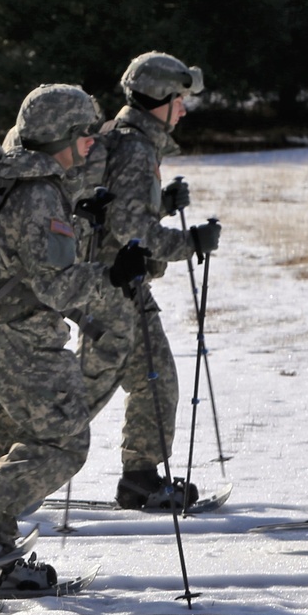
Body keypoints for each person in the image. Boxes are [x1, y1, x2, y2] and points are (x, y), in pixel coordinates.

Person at [0, 84, 150, 587]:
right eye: (83, 134)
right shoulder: (38, 194)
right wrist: (113, 275)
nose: (90, 143)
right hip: (26, 340)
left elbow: (27, 260)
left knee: (1, 446)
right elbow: (57, 287)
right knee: (65, 442)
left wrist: (80, 223)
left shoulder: (19, 183)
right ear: (59, 134)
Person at [80, 51, 222, 510]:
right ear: (160, 97)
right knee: (98, 386)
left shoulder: (125, 140)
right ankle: (9, 462)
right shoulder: (136, 149)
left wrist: (160, 203)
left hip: (114, 286)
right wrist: (192, 242)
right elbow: (131, 231)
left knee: (146, 380)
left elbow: (121, 213)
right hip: (112, 289)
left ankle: (140, 477)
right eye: (179, 99)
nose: (183, 108)